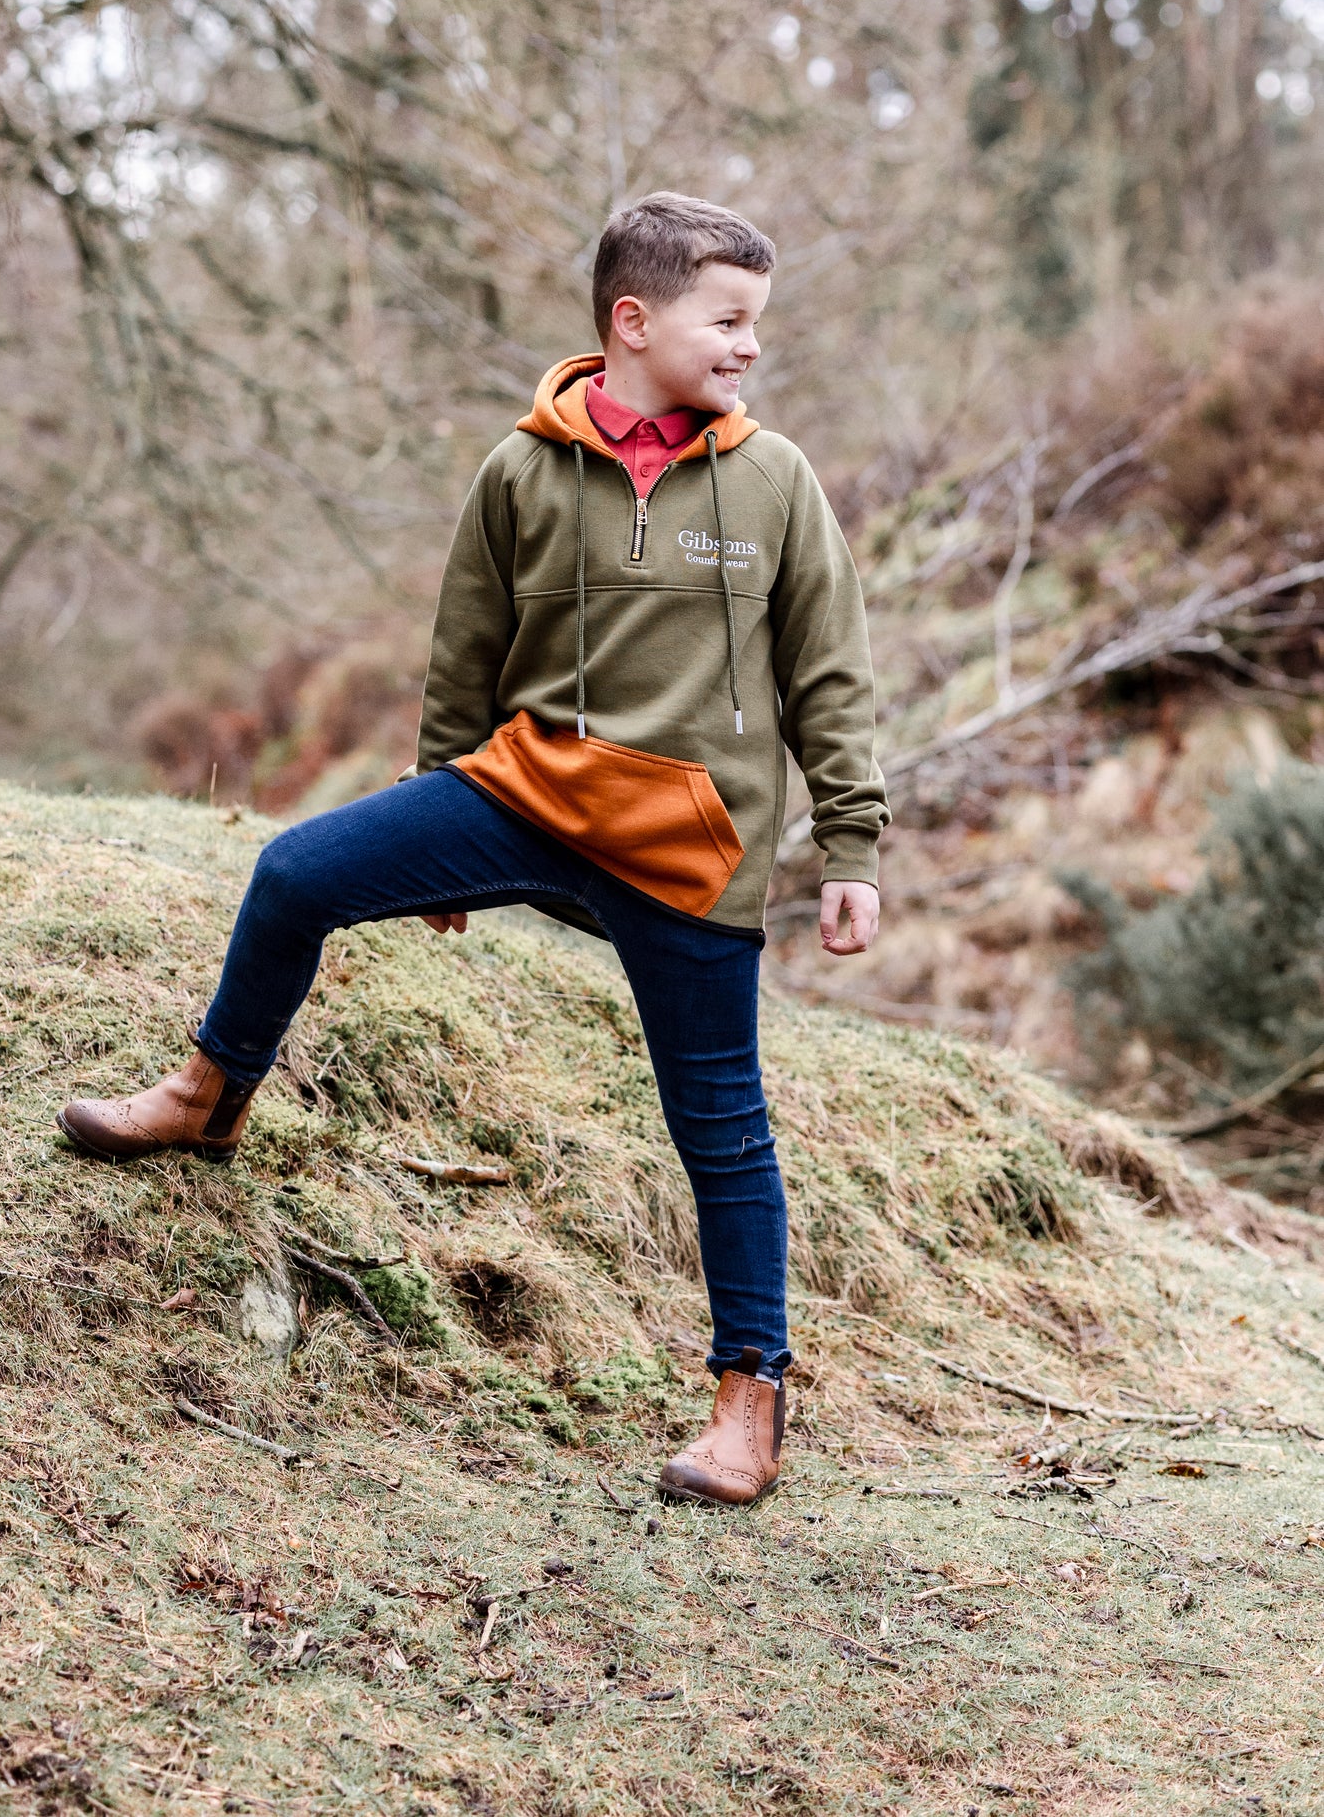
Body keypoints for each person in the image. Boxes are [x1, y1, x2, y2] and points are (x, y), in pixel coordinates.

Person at [58, 192, 888, 1507]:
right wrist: (435, 811)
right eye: (724, 321)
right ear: (632, 320)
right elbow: (466, 651)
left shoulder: (773, 478)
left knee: (717, 1121)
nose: (745, 348)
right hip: (522, 794)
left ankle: (747, 1401)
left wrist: (851, 844)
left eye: (753, 325)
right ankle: (210, 1097)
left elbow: (826, 674)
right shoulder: (518, 470)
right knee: (293, 876)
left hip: (688, 840)